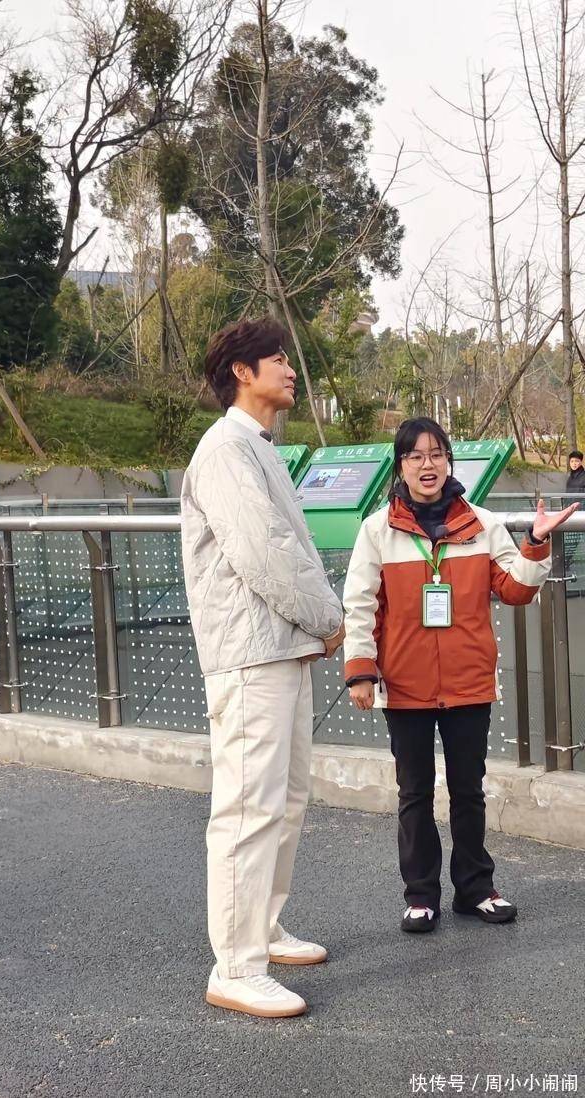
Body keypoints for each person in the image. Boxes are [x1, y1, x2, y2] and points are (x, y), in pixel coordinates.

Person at [342, 417, 578, 934]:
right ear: (401, 466)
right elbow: (360, 605)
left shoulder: (483, 524)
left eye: (436, 454)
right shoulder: (377, 531)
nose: (427, 465)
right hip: (405, 684)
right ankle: (420, 895)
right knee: (414, 793)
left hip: (468, 681)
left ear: (449, 461)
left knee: (469, 789)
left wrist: (536, 543)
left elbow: (515, 590)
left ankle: (475, 888)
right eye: (415, 456)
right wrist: (361, 669)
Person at [180, 316, 345, 1018]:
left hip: (280, 647)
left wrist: (316, 624)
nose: (289, 368)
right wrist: (330, 619)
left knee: (286, 799)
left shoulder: (259, 448)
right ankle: (236, 967)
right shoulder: (226, 450)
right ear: (242, 372)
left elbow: (283, 547)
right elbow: (265, 553)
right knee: (249, 808)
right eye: (276, 358)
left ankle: (264, 930)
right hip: (250, 654)